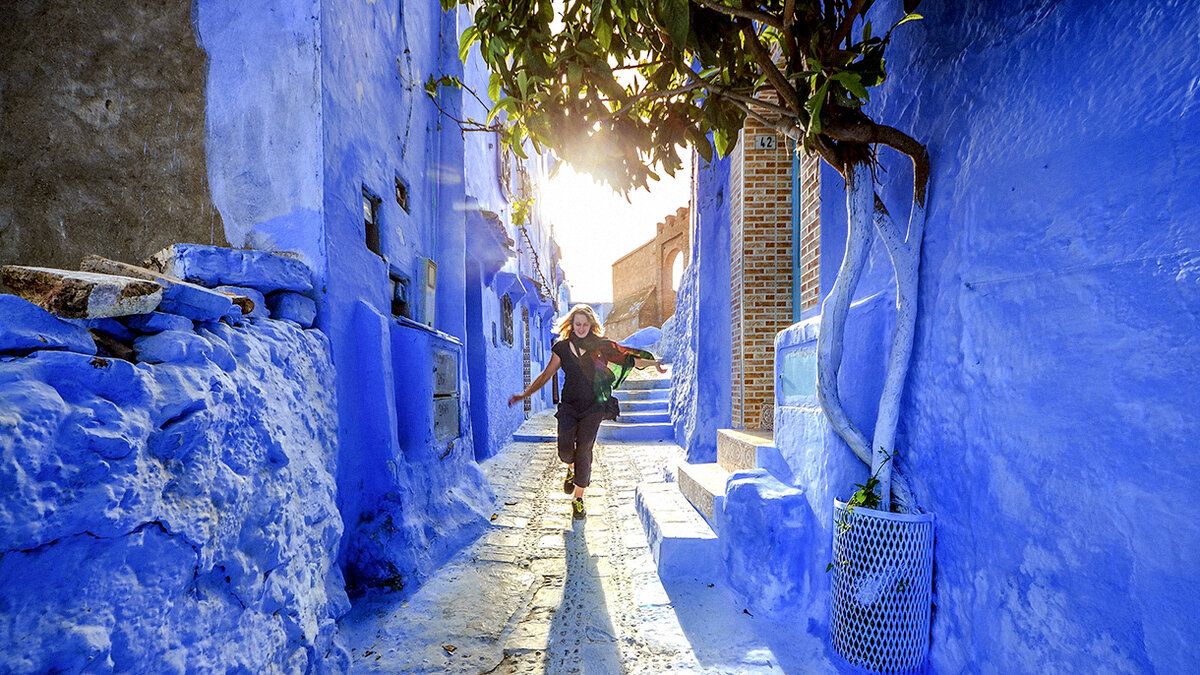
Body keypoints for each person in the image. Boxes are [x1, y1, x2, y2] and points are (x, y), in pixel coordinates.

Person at [509, 304, 666, 520]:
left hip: (594, 407)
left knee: (584, 449)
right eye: (577, 324)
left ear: (591, 325)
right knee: (565, 450)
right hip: (570, 406)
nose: (581, 328)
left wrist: (653, 363)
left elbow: (628, 359)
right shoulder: (561, 349)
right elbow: (546, 375)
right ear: (571, 325)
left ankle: (578, 499)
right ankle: (570, 468)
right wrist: (525, 394)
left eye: (585, 324)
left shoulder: (600, 346)